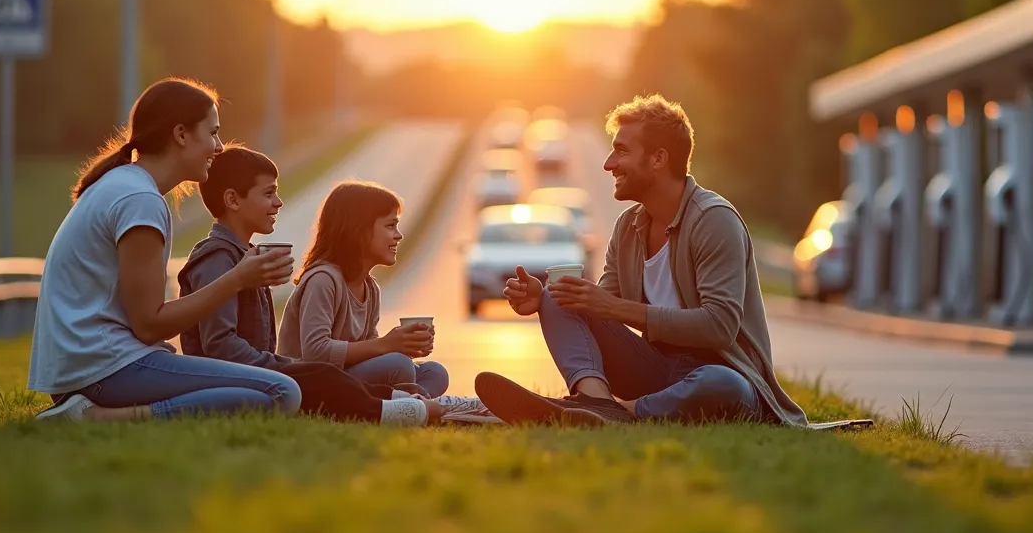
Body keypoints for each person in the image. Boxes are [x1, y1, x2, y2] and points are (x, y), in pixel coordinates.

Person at [475, 95, 809, 428]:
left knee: (723, 385)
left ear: (658, 159)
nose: (609, 164)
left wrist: (614, 308)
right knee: (559, 293)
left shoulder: (713, 220)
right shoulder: (627, 228)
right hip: (655, 369)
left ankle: (626, 411)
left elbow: (720, 327)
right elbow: (595, 307)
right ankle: (596, 401)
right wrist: (543, 300)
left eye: (622, 151)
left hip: (719, 374)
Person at [28, 77, 302, 422]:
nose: (219, 147)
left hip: (90, 366)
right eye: (213, 132)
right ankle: (99, 418)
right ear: (182, 134)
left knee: (267, 390)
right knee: (282, 391)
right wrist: (236, 279)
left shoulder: (128, 186)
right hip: (103, 369)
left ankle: (96, 411)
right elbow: (149, 325)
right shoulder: (139, 200)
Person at [175, 144, 442, 426]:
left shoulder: (245, 257)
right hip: (236, 380)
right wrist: (280, 367)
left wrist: (391, 345)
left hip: (265, 374)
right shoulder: (218, 259)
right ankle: (405, 408)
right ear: (233, 200)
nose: (279, 202)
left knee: (429, 372)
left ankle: (417, 402)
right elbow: (220, 346)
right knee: (328, 376)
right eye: (268, 193)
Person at [278, 181, 450, 397]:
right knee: (398, 366)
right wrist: (386, 345)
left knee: (435, 372)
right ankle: (409, 402)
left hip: (346, 377)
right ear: (358, 231)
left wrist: (402, 345)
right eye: (390, 226)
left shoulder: (370, 287)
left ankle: (410, 401)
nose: (399, 235)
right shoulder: (323, 280)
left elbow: (370, 351)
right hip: (310, 383)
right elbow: (315, 351)